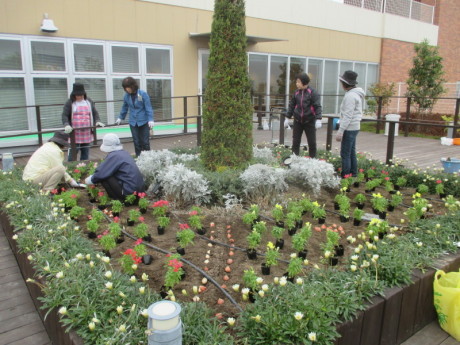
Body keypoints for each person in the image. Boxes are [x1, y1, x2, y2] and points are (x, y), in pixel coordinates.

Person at [85, 133, 145, 201]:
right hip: (139, 192)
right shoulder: (124, 153)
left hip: (129, 192)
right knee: (108, 173)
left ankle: (118, 199)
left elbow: (101, 173)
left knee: (105, 176)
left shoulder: (114, 156)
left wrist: (89, 180)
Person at [62, 83, 105, 161]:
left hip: (86, 132)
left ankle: (84, 166)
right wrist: (66, 125)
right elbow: (64, 115)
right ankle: (71, 167)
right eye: (78, 95)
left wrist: (97, 121)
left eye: (81, 95)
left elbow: (95, 113)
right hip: (75, 133)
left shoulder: (89, 101)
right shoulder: (70, 102)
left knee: (85, 152)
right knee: (73, 152)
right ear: (74, 95)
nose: (80, 97)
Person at [335, 70, 365, 178]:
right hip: (354, 127)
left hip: (349, 127)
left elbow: (347, 116)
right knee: (351, 152)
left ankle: (345, 176)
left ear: (345, 83)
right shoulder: (355, 94)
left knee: (345, 153)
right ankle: (353, 174)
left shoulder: (350, 96)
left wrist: (340, 131)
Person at [115, 77, 154, 157]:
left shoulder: (143, 94)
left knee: (145, 142)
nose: (127, 89)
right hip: (133, 122)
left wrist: (150, 119)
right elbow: (125, 107)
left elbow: (148, 107)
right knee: (136, 142)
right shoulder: (126, 96)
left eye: (128, 87)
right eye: (125, 88)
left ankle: (148, 158)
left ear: (133, 86)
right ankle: (139, 158)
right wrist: (120, 117)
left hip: (143, 121)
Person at [286, 73, 323, 157]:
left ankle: (312, 160)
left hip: (309, 121)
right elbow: (292, 105)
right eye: (296, 82)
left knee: (312, 142)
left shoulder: (313, 92)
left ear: (304, 82)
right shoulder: (296, 93)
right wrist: (287, 117)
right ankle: (294, 159)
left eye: (298, 82)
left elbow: (317, 106)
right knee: (295, 141)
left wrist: (318, 119)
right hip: (298, 121)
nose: (297, 84)